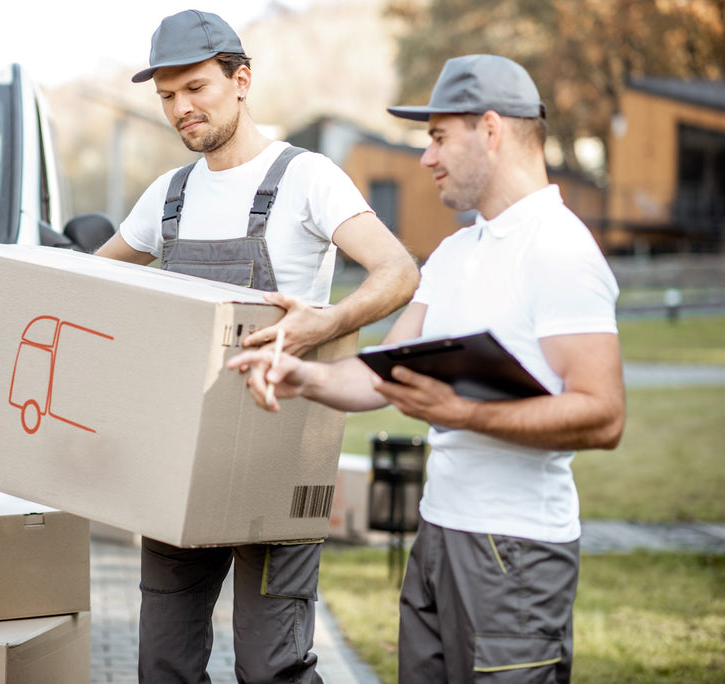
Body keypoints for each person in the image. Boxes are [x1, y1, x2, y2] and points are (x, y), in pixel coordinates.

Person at [228, 54, 626, 682]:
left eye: (439, 137)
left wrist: (463, 414)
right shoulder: (455, 251)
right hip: (437, 534)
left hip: (516, 553)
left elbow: (602, 415)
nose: (427, 157)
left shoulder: (558, 250)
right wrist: (303, 375)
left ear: (490, 130)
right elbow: (383, 373)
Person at [95, 9, 420, 683]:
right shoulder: (168, 197)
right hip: (180, 458)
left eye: (195, 89)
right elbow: (88, 283)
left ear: (241, 80)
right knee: (162, 665)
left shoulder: (306, 178)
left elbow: (398, 272)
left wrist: (323, 325)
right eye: (167, 97)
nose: (180, 108)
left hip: (279, 455)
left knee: (270, 666)